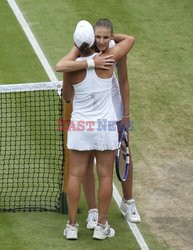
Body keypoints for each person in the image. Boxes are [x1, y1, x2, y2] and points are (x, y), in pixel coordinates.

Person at [56, 19, 141, 230]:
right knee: (88, 163)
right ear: (91, 37)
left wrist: (126, 113)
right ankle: (94, 213)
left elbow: (124, 80)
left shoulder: (114, 51)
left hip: (114, 112)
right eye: (98, 37)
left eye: (106, 36)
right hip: (94, 115)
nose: (102, 41)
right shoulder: (89, 53)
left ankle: (128, 202)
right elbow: (64, 67)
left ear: (111, 36)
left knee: (123, 155)